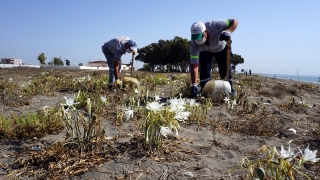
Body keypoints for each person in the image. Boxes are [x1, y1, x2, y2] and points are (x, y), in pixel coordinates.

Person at [189, 19, 238, 97]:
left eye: (200, 36)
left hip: (221, 48)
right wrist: (194, 84)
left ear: (205, 31)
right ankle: (206, 93)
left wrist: (228, 31)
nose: (198, 40)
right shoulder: (194, 44)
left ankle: (229, 91)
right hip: (206, 51)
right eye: (196, 38)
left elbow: (234, 21)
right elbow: (194, 66)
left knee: (225, 70)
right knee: (204, 70)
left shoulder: (216, 25)